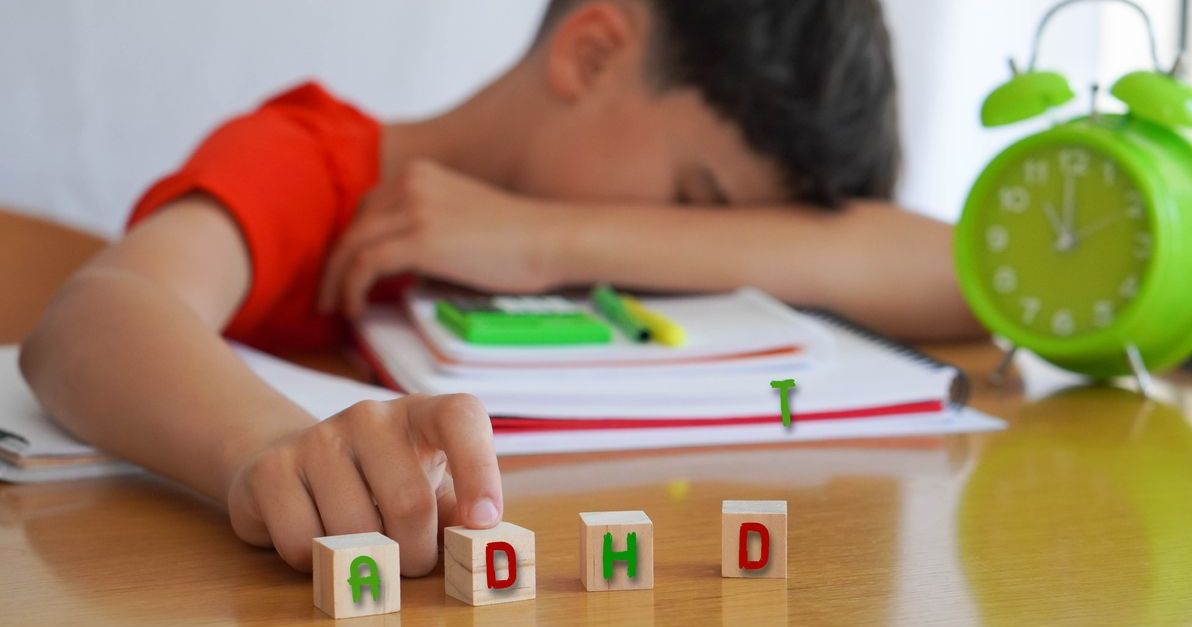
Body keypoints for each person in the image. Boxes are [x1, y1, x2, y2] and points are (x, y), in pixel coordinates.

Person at [20, 0, 979, 576]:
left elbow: (957, 273)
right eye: (698, 199)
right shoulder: (319, 165)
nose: (691, 242)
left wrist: (550, 239)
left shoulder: (588, 255)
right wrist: (267, 447)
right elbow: (95, 315)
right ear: (593, 53)